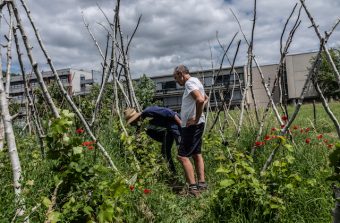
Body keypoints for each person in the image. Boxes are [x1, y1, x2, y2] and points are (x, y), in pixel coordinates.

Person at [173, 64, 208, 196]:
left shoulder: (189, 83)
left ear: (181, 74)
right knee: (196, 153)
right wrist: (197, 117)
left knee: (182, 156)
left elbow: (200, 100)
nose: (177, 82)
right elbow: (205, 98)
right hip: (197, 124)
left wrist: (195, 118)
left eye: (176, 78)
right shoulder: (197, 81)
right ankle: (202, 184)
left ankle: (193, 189)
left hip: (192, 126)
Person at [124, 106, 182, 175]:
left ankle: (188, 178)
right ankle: (174, 174)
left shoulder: (148, 111)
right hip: (167, 132)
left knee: (182, 153)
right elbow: (139, 136)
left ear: (135, 119)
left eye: (132, 122)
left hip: (174, 125)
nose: (132, 124)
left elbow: (170, 112)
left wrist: (181, 124)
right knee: (165, 153)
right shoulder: (141, 124)